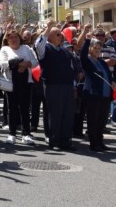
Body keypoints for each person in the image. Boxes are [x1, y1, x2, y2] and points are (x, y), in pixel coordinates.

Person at [36, 21, 77, 151]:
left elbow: (71, 68)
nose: (62, 36)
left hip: (67, 86)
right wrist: (48, 29)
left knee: (67, 114)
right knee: (55, 114)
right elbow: (38, 44)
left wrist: (74, 85)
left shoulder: (65, 51)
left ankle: (65, 141)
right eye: (58, 34)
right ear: (51, 37)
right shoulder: (45, 49)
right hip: (53, 85)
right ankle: (54, 141)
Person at [77, 25, 116, 152]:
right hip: (93, 95)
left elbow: (108, 76)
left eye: (100, 48)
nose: (98, 50)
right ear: (90, 48)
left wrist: (113, 83)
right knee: (93, 120)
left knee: (101, 121)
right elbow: (82, 55)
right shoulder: (87, 61)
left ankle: (100, 141)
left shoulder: (102, 62)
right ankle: (94, 143)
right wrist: (87, 39)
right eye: (96, 47)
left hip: (105, 95)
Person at [0, 25, 38, 145]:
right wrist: (19, 64)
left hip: (25, 81)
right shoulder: (5, 49)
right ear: (7, 39)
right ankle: (12, 134)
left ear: (19, 38)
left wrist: (26, 65)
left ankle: (26, 134)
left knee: (25, 108)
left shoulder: (26, 48)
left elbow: (35, 62)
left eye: (15, 37)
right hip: (12, 82)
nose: (13, 39)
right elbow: (2, 64)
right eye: (10, 38)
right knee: (12, 108)